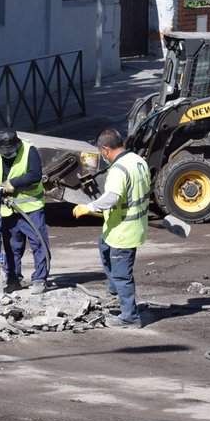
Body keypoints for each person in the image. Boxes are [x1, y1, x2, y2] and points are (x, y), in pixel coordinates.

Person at [72, 128, 151, 328]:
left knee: (122, 275)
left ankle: (129, 317)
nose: (102, 157)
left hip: (123, 231)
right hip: (130, 225)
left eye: (101, 152)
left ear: (106, 150)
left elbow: (112, 197)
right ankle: (114, 288)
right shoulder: (138, 160)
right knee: (103, 244)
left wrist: (88, 207)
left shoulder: (118, 169)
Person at [0, 129, 51, 295]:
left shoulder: (29, 151)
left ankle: (39, 280)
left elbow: (35, 175)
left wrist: (14, 182)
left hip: (31, 207)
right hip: (8, 208)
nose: (7, 155)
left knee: (38, 243)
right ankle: (13, 279)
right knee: (12, 246)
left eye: (10, 152)